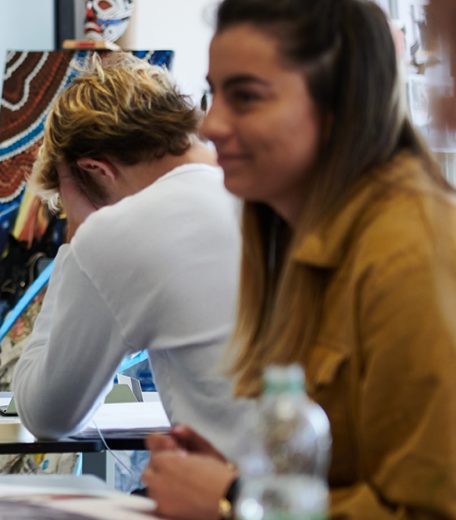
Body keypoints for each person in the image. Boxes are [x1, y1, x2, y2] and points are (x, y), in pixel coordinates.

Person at [142, 0, 456, 517]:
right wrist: (237, 480)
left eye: (246, 97)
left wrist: (235, 501)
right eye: (214, 93)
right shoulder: (304, 239)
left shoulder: (409, 251)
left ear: (339, 106)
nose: (210, 125)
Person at [9, 53, 254, 458]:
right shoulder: (260, 190)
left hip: (231, 493)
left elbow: (47, 414)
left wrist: (77, 238)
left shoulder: (120, 232)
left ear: (96, 169)